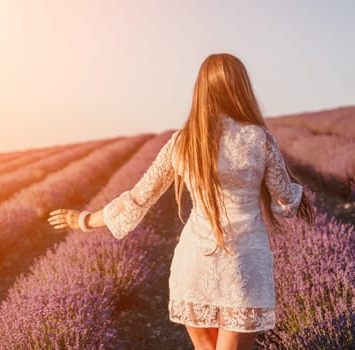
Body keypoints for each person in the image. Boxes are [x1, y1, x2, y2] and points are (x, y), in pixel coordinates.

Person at [48, 53, 315, 350]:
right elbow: (285, 201)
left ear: (201, 91)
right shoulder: (258, 138)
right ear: (241, 88)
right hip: (243, 263)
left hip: (194, 261)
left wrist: (84, 220)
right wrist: (298, 194)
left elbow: (139, 198)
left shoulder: (183, 141)